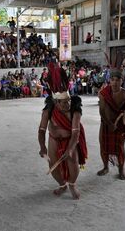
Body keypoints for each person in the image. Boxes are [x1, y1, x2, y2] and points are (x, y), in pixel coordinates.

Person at [38, 62, 87, 199]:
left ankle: (72, 184)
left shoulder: (75, 111)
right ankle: (62, 185)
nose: (68, 104)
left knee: (73, 162)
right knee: (53, 164)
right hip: (53, 140)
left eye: (69, 101)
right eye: (64, 102)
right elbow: (42, 130)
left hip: (70, 139)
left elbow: (76, 132)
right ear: (56, 103)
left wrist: (70, 149)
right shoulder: (48, 111)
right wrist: (42, 147)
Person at [97, 68, 125, 180]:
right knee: (103, 147)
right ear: (109, 80)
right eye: (112, 79)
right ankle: (105, 167)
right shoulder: (103, 93)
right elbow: (102, 111)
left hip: (119, 125)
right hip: (106, 124)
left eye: (118, 80)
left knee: (120, 148)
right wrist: (109, 124)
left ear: (122, 81)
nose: (115, 82)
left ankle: (121, 169)